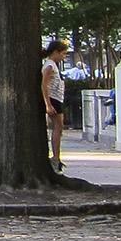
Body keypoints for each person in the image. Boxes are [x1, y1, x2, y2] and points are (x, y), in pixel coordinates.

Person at [41, 39, 70, 172]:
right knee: (57, 128)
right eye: (63, 54)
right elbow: (44, 85)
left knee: (59, 128)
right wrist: (48, 104)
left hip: (57, 99)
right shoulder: (49, 66)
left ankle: (56, 157)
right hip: (53, 99)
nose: (63, 57)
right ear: (55, 52)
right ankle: (55, 158)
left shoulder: (53, 65)